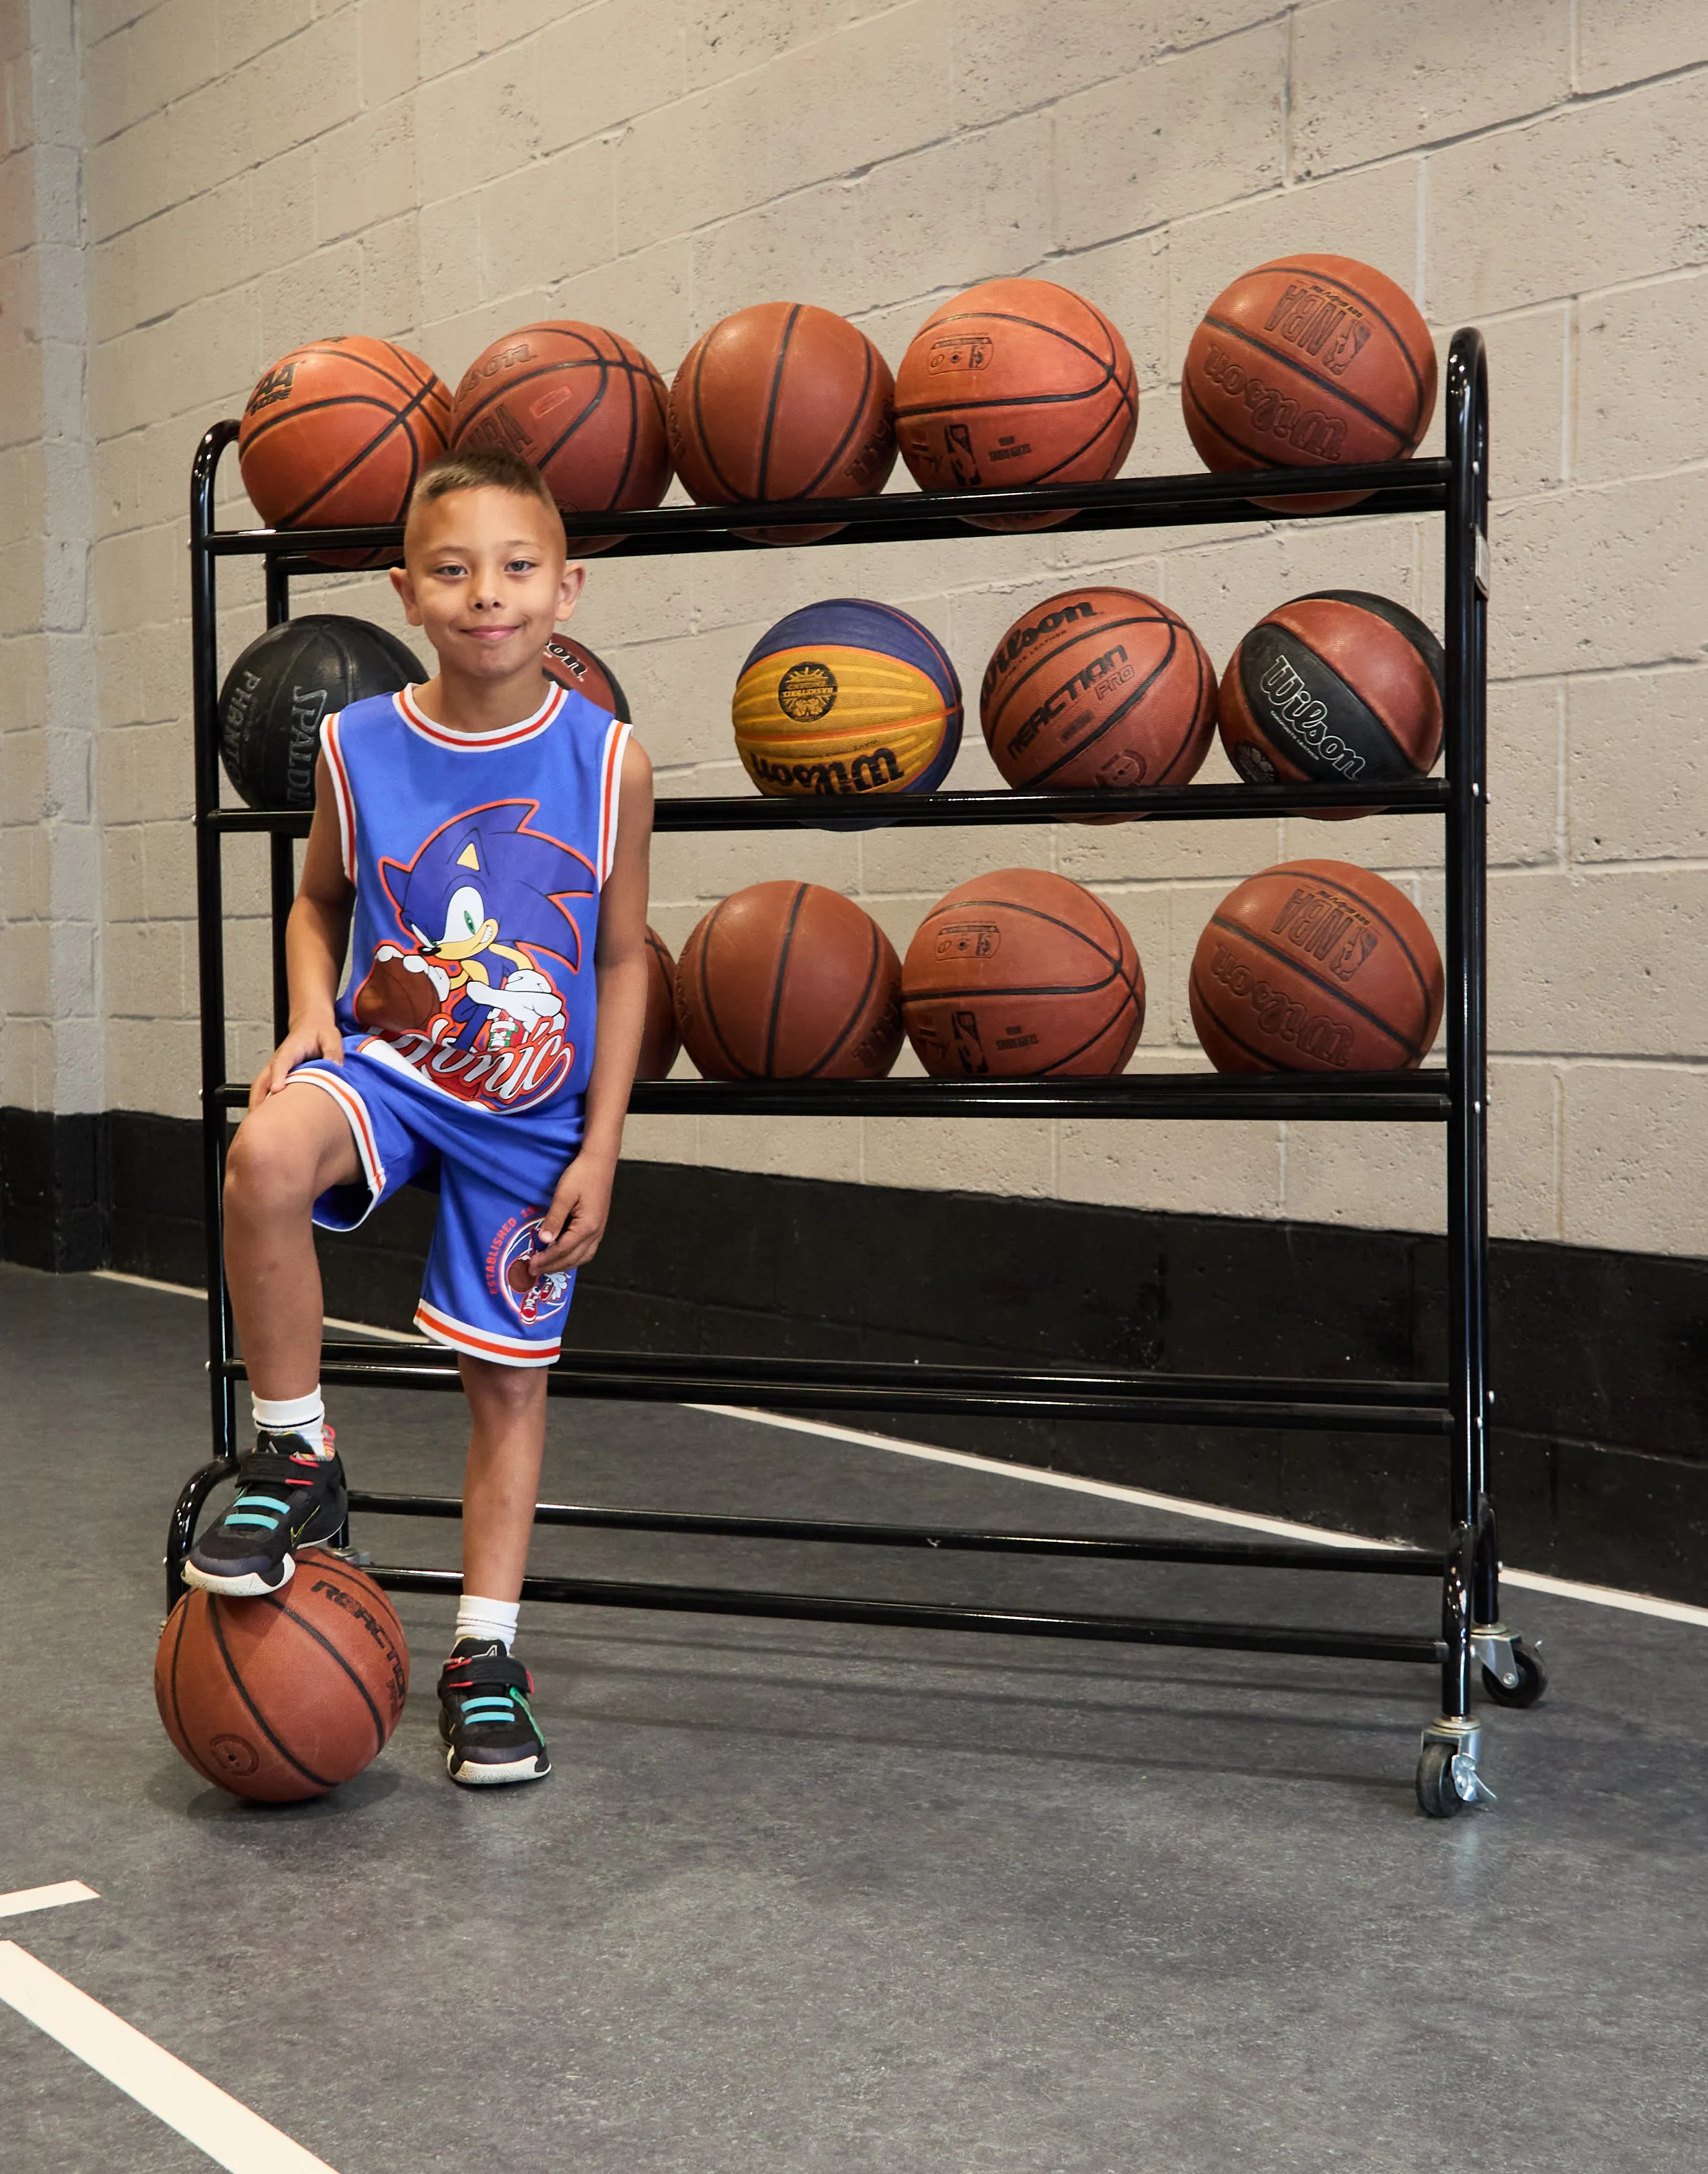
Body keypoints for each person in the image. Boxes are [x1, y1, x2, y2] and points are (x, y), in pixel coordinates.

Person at [185, 448, 654, 1788]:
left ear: (567, 587)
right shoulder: (356, 741)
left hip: (530, 1109)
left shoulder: (608, 759)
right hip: (389, 1059)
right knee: (264, 1147)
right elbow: (317, 898)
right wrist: (305, 1010)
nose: (486, 595)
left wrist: (604, 1143)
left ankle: (485, 1654)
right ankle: (300, 1449)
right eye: (452, 570)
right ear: (405, 590)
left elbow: (625, 957)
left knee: (505, 1382)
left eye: (516, 568)